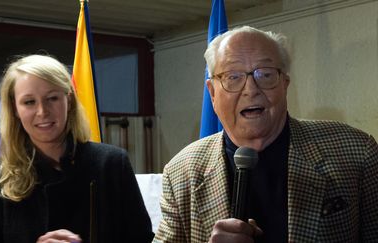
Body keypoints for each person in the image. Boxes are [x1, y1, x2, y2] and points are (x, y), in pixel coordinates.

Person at [153, 26, 378, 242]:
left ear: (285, 85)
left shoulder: (357, 152)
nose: (251, 89)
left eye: (266, 74)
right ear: (212, 93)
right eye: (233, 77)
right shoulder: (181, 172)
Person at [0, 54, 154, 243]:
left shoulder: (111, 164)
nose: (42, 111)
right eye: (29, 102)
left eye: (52, 98)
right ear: (15, 109)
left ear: (69, 100)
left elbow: (141, 239)